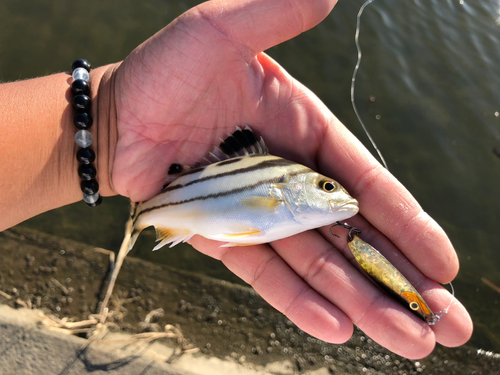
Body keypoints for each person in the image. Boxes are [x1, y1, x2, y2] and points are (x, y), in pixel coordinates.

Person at [0, 0, 471, 359]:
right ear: (294, 187)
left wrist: (106, 120)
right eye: (327, 187)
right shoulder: (281, 194)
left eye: (331, 188)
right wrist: (109, 120)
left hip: (191, 202)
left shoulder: (288, 204)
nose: (340, 195)